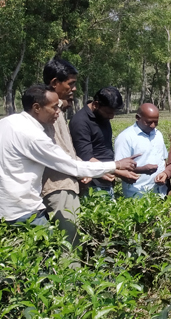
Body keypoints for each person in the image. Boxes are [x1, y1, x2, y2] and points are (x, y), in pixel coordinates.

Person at [0, 85, 138, 226]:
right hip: (23, 211)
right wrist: (117, 165)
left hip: (6, 209)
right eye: (54, 107)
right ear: (36, 108)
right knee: (60, 239)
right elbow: (73, 167)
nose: (58, 112)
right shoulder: (34, 136)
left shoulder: (7, 122)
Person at [40, 57, 88, 244]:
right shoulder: (49, 112)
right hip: (58, 186)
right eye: (71, 84)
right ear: (54, 83)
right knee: (70, 245)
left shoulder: (58, 111)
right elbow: (58, 153)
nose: (74, 89)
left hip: (66, 184)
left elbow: (66, 150)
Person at [70, 87, 139, 198]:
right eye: (108, 112)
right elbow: (85, 157)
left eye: (114, 112)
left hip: (106, 179)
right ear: (96, 104)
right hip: (92, 183)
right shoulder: (80, 122)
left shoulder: (102, 116)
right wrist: (118, 171)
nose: (111, 116)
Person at [114, 103, 168, 198]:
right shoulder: (126, 137)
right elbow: (118, 167)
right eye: (149, 122)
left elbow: (163, 159)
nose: (153, 125)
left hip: (160, 191)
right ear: (138, 118)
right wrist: (142, 170)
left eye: (156, 122)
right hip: (137, 193)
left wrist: (165, 175)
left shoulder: (158, 134)